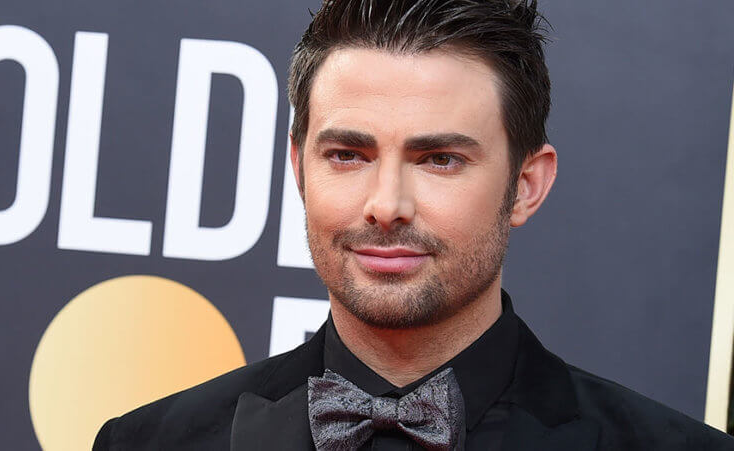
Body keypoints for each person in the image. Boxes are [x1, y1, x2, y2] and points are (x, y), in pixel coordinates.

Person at [93, 0, 734, 449]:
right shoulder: (150, 442)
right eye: (348, 154)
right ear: (298, 167)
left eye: (439, 160)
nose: (386, 203)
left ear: (526, 185)